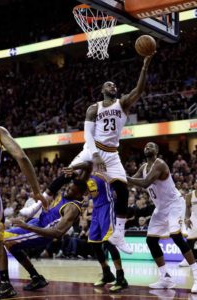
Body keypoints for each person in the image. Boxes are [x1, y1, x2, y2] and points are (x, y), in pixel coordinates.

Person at [70, 54, 155, 253]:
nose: (113, 87)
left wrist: (144, 66)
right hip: (93, 149)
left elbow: (139, 90)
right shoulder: (93, 108)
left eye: (114, 85)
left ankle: (118, 234)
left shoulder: (123, 104)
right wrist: (95, 155)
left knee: (123, 191)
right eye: (109, 85)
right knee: (69, 173)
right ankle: (40, 205)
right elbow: (87, 135)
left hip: (112, 154)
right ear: (102, 90)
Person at [127, 142, 197, 293]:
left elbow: (145, 183)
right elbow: (130, 180)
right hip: (161, 208)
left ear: (157, 151)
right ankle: (165, 277)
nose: (147, 147)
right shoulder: (143, 167)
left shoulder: (160, 164)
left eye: (151, 146)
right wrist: (114, 179)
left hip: (174, 204)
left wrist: (123, 176)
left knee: (176, 237)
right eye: (145, 146)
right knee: (151, 240)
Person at [4, 171, 89, 291]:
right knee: (12, 246)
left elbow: (57, 233)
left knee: (1, 238)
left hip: (40, 233)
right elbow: (52, 205)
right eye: (68, 187)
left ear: (79, 194)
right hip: (36, 223)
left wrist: (27, 227)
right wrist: (72, 173)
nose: (67, 190)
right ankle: (36, 277)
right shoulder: (66, 194)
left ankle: (5, 284)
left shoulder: (72, 208)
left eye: (71, 190)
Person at [0, 126, 47, 299]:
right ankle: (4, 284)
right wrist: (36, 190)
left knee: (5, 240)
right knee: (0, 241)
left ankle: (15, 280)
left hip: (41, 228)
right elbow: (21, 157)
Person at [179, 188, 197, 267]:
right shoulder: (190, 195)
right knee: (190, 240)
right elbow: (187, 209)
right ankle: (188, 260)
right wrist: (186, 218)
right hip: (194, 219)